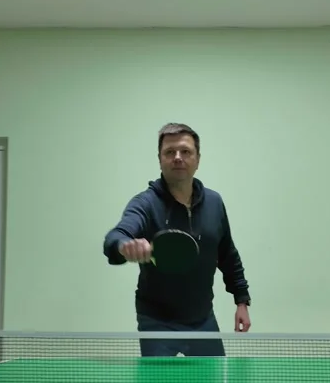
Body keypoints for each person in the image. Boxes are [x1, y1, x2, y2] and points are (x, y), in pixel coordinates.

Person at [103, 122, 251, 356]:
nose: (178, 157)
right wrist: (124, 247)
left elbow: (227, 254)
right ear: (160, 159)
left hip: (202, 319)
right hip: (157, 322)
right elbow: (115, 236)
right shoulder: (146, 204)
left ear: (198, 159)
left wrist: (241, 300)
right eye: (169, 152)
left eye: (185, 151)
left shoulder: (214, 202)